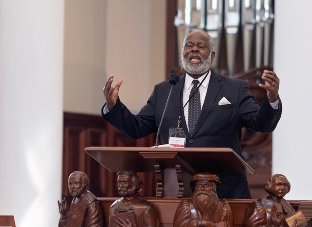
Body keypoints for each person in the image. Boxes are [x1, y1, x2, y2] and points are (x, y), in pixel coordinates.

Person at [102, 29, 282, 199]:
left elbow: (261, 124)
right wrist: (114, 106)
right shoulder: (165, 90)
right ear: (183, 55)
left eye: (201, 46)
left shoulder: (234, 89)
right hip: (177, 190)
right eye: (189, 45)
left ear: (211, 56)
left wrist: (272, 99)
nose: (194, 49)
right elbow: (136, 128)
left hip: (226, 192)